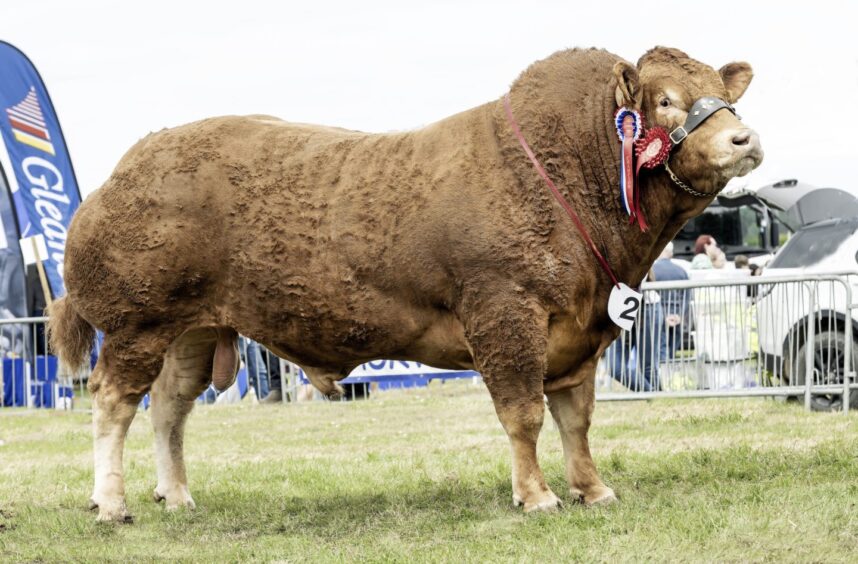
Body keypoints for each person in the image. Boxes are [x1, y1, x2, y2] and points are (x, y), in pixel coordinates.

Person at [607, 268, 665, 392]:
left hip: (647, 308)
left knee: (648, 366)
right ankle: (653, 394)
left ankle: (657, 401)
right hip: (622, 308)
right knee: (615, 367)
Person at [653, 242, 690, 359]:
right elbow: (687, 297)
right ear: (671, 253)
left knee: (660, 355)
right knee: (672, 356)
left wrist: (664, 317)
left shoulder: (652, 271)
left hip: (659, 318)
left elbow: (650, 297)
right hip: (677, 319)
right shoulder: (682, 271)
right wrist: (679, 315)